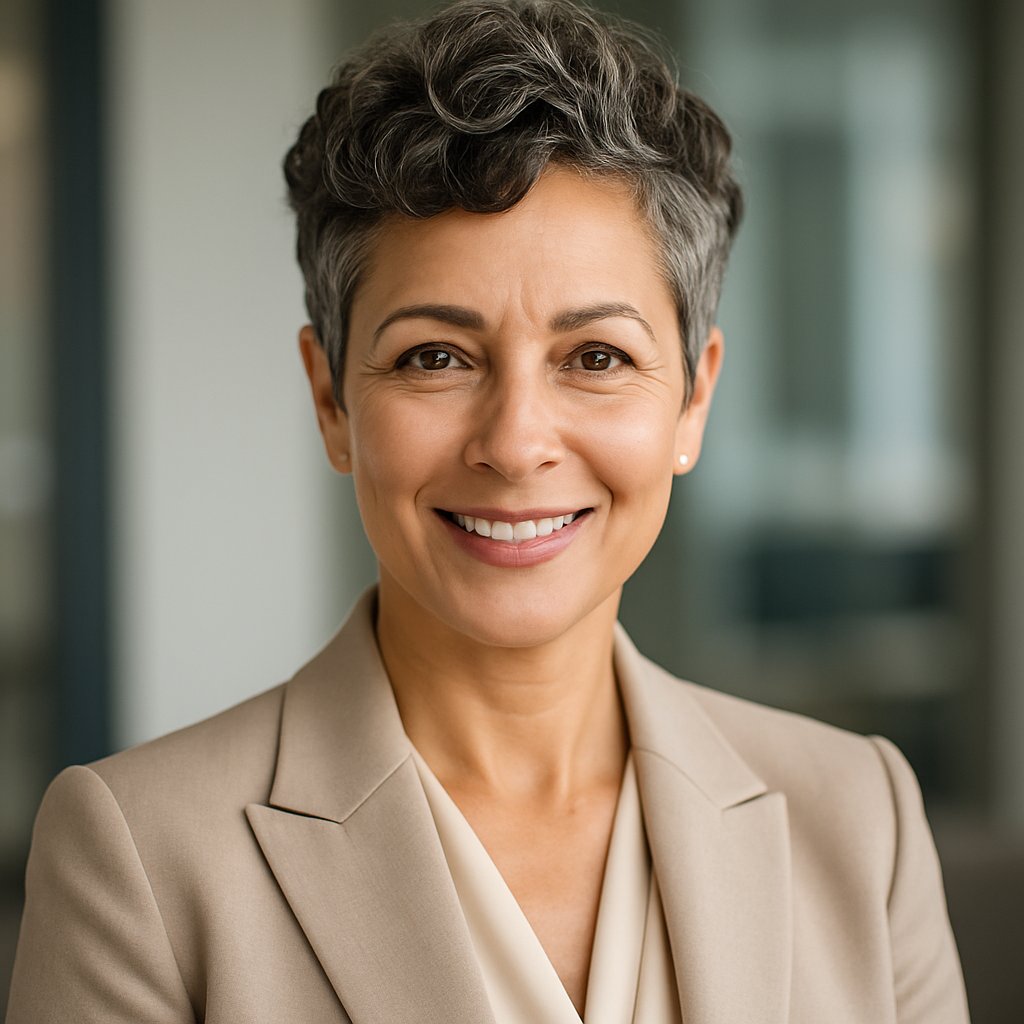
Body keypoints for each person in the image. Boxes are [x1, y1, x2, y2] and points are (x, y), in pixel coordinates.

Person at [6, 1, 969, 1022]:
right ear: (331, 399)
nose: (514, 443)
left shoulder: (858, 815)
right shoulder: (143, 855)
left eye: (594, 358)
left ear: (693, 398)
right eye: (436, 357)